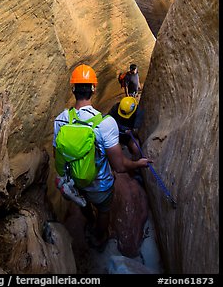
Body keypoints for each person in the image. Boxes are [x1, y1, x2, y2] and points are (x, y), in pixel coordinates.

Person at [53, 63, 152, 251]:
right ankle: (100, 236)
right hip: (100, 184)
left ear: (73, 89)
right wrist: (137, 163)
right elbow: (120, 166)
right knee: (104, 210)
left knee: (83, 204)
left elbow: (57, 153)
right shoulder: (105, 123)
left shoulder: (60, 120)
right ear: (94, 88)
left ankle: (88, 219)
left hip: (74, 181)